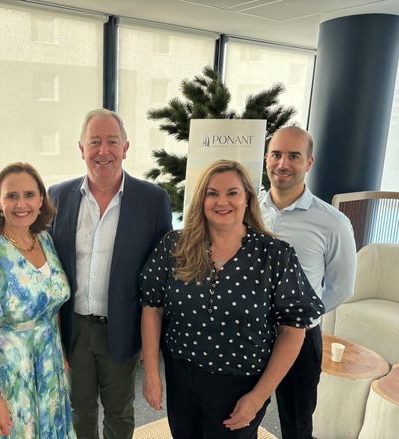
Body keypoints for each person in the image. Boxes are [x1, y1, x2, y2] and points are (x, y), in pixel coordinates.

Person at [141, 159, 325, 439]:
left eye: (232, 193)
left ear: (247, 198)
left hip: (241, 386)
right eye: (212, 193)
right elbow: (152, 307)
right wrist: (152, 373)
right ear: (201, 200)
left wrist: (258, 397)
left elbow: (293, 330)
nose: (221, 201)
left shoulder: (274, 255)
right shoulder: (175, 246)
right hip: (182, 379)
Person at [49, 108, 172, 439]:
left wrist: (152, 344)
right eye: (94, 142)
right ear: (81, 148)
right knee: (78, 409)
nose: (103, 151)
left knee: (119, 410)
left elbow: (162, 277)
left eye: (112, 142)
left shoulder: (152, 200)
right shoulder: (57, 197)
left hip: (123, 328)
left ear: (125, 148)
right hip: (73, 328)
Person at [0, 162, 75, 438]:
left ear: (40, 200)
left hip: (48, 366)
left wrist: (59, 352)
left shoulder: (44, 240)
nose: (21, 204)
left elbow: (52, 305)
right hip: (10, 375)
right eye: (11, 196)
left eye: (29, 195)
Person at [260, 126, 357, 439]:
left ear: (309, 162)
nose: (283, 163)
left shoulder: (333, 222)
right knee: (240, 415)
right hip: (250, 332)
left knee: (297, 423)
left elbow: (341, 287)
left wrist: (302, 317)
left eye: (294, 156)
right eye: (276, 154)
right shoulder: (247, 210)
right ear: (266, 159)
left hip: (300, 339)